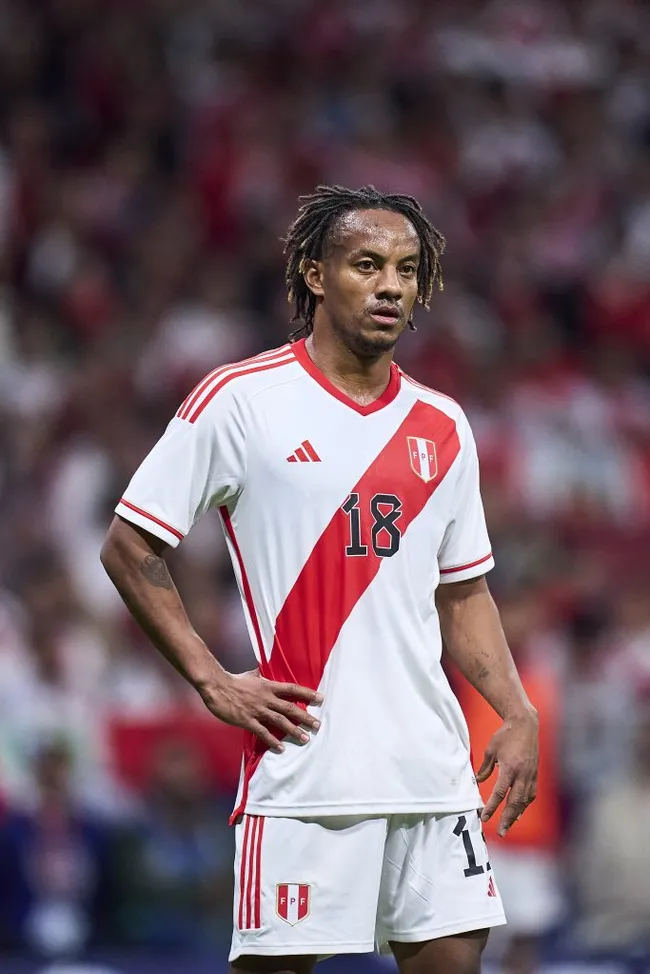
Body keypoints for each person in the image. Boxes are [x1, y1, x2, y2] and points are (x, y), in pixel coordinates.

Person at [100, 184, 538, 974]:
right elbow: (130, 546)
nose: (390, 286)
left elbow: (463, 592)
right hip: (306, 767)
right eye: (366, 265)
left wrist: (515, 710)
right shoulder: (242, 400)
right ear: (313, 273)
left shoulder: (444, 424)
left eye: (407, 269)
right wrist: (211, 680)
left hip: (432, 770)